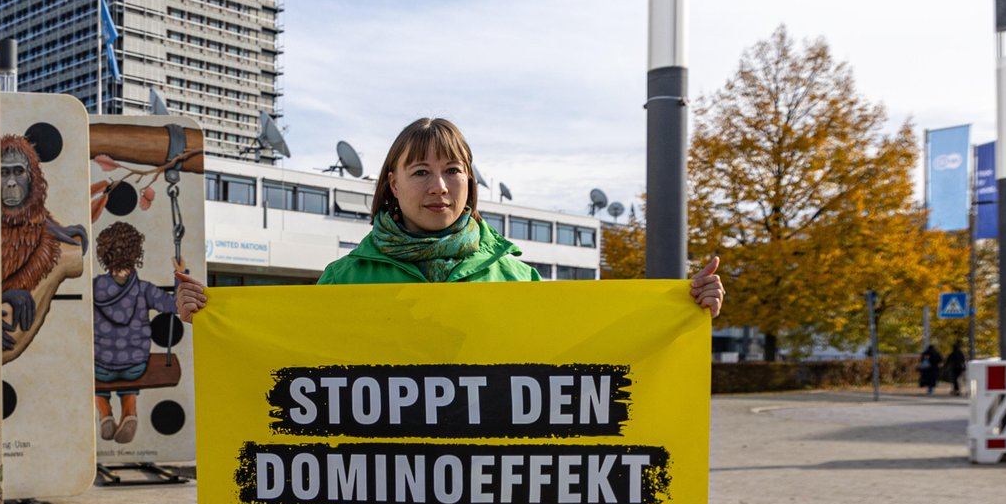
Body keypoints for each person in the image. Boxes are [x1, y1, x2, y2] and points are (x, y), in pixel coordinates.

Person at [177, 117, 725, 320]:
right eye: (419, 171)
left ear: (469, 182)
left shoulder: (515, 277)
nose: (438, 186)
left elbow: (581, 354)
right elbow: (287, 361)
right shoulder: (345, 279)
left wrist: (681, 311)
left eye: (452, 169)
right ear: (392, 184)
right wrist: (213, 317)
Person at [91, 222, 181, 445]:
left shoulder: (91, 288)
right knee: (130, 369)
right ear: (135, 253)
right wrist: (180, 275)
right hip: (135, 366)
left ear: (105, 254)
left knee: (95, 374)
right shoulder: (144, 289)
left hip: (100, 366)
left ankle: (104, 412)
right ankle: (129, 411)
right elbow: (175, 305)